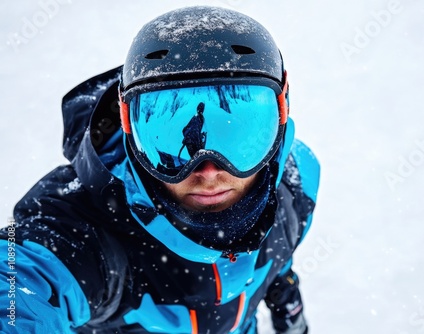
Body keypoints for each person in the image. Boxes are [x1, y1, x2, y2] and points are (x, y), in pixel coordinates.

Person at [0, 6, 320, 334]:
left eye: (238, 136)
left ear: (281, 119)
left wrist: (287, 303)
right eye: (158, 136)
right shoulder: (89, 229)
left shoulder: (295, 189)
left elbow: (280, 258)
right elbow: (21, 283)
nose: (209, 171)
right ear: (128, 127)